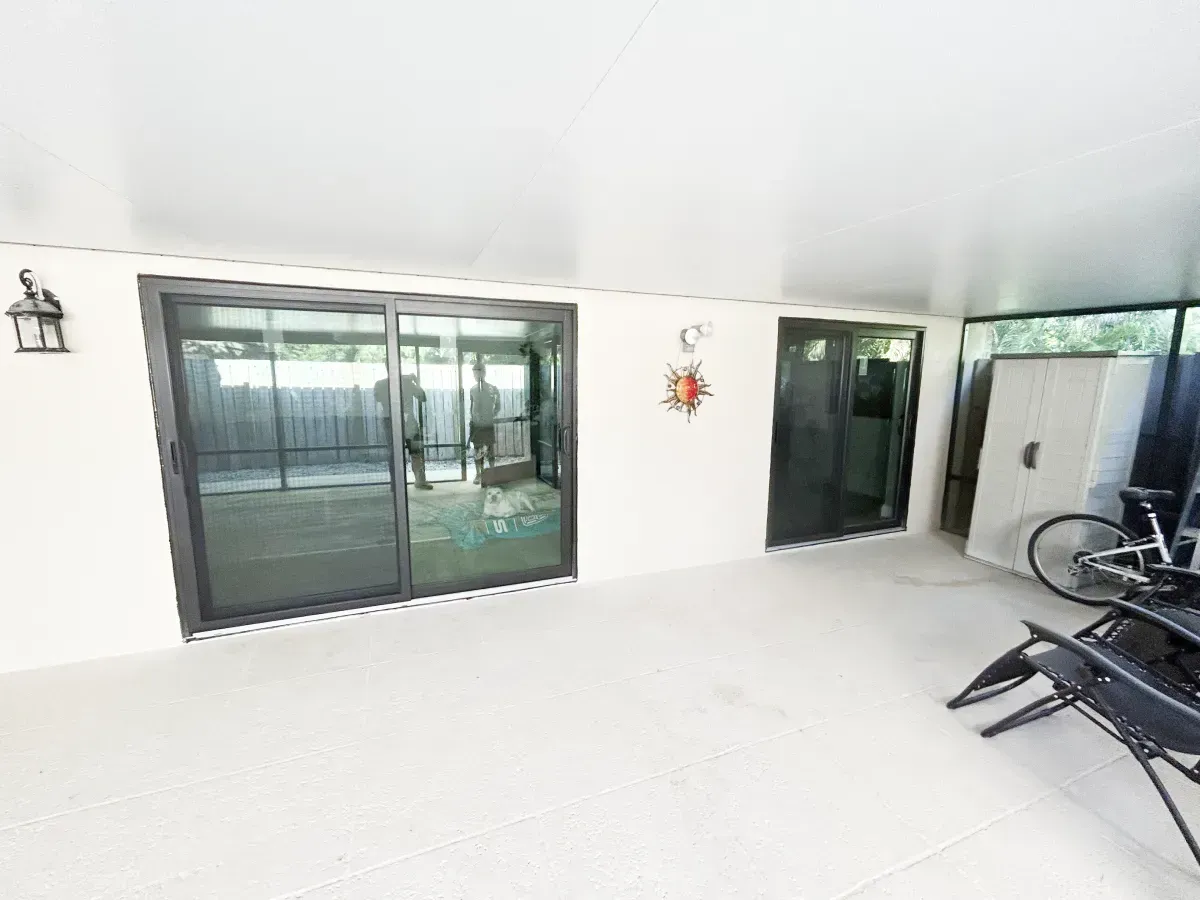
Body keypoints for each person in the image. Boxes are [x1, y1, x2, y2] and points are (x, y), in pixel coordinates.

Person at [375, 372, 432, 490]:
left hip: (408, 422)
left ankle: (419, 480)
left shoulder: (405, 383)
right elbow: (379, 398)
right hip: (392, 422)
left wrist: (415, 382)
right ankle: (397, 483)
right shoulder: (382, 384)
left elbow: (422, 397)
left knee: (416, 451)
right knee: (395, 453)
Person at [469, 358, 501, 486]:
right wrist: (472, 418)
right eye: (474, 373)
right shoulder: (472, 389)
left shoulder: (493, 388)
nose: (476, 375)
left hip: (488, 424)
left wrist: (491, 415)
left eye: (478, 372)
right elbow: (471, 407)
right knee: (477, 450)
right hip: (476, 425)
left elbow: (498, 406)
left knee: (490, 450)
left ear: (484, 373)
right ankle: (478, 474)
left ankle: (493, 473)